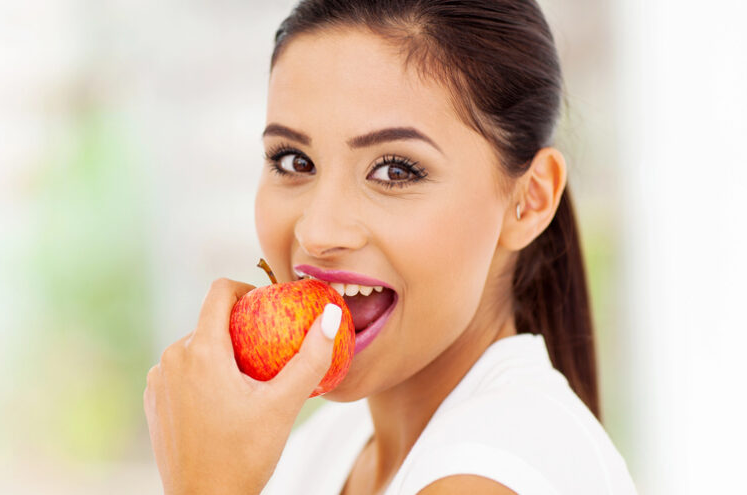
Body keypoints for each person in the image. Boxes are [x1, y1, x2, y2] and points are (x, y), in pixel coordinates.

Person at [143, 1, 639, 493]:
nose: (318, 231)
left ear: (529, 201)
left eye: (395, 170)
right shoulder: (322, 446)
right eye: (294, 161)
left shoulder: (490, 475)